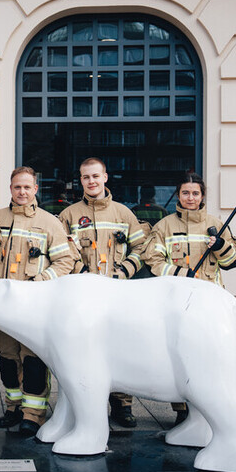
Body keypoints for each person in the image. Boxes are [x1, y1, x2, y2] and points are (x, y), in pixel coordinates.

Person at [0, 166, 75, 436]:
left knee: (32, 361)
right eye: (17, 187)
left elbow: (66, 260)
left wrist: (39, 284)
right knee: (7, 359)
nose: (22, 192)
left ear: (35, 190)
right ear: (11, 189)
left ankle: (33, 415)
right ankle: (13, 408)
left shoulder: (49, 222)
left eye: (27, 187)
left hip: (34, 308)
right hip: (4, 307)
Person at [143, 171, 236, 424]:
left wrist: (221, 246)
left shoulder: (216, 223)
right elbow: (153, 261)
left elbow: (233, 262)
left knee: (208, 356)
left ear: (202, 196)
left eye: (195, 193)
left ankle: (207, 408)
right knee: (178, 356)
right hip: (176, 305)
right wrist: (181, 273)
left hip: (210, 306)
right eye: (185, 193)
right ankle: (182, 411)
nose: (190, 198)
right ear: (178, 195)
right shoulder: (164, 226)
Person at [58, 157, 149, 428]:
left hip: (117, 295)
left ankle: (122, 405)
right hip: (83, 297)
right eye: (86, 177)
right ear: (81, 181)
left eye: (96, 176)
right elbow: (63, 252)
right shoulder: (69, 215)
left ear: (105, 178)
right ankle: (87, 402)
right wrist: (81, 274)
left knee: (120, 349)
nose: (91, 181)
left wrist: (124, 272)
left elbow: (141, 249)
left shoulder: (124, 214)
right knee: (85, 350)